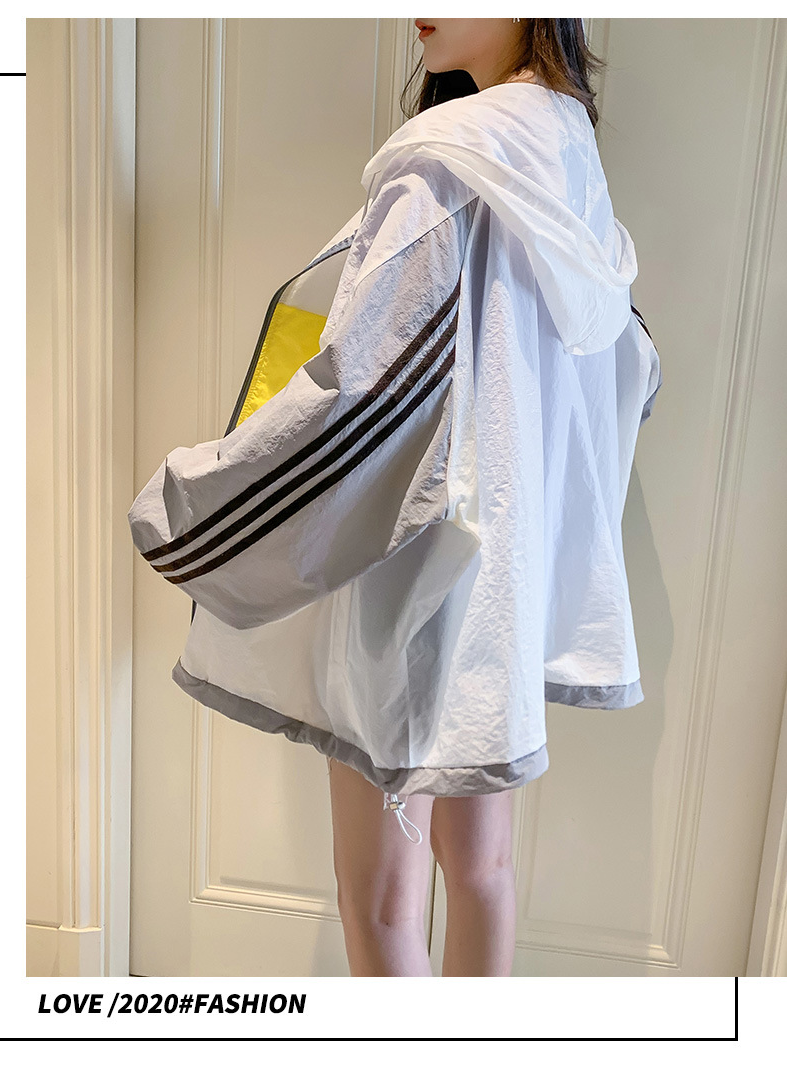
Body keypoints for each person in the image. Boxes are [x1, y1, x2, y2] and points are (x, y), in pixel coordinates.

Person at [128, 17, 661, 978]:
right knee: (484, 870)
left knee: (378, 898)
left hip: (411, 563)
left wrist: (190, 505)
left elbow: (365, 392)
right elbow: (624, 367)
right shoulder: (567, 147)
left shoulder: (443, 162)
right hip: (504, 568)